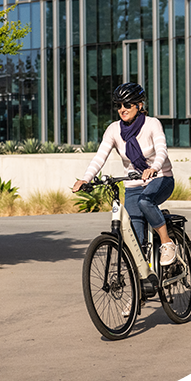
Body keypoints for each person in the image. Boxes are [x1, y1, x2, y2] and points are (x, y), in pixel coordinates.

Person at [72, 82, 177, 266]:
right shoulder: (114, 130)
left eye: (127, 104)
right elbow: (99, 157)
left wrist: (154, 168)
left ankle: (167, 242)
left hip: (161, 179)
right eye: (119, 105)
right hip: (133, 186)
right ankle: (144, 281)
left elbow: (162, 151)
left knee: (146, 201)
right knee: (135, 237)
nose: (122, 109)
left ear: (139, 105)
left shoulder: (152, 124)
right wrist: (85, 179)